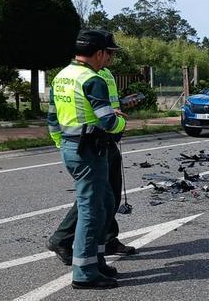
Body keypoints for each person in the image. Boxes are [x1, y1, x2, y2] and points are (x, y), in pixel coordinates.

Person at [48, 32, 140, 270]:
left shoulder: (62, 77)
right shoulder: (92, 78)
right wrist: (120, 121)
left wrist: (62, 143)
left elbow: (52, 118)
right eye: (108, 53)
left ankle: (98, 259)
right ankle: (85, 272)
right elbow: (109, 122)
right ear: (99, 53)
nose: (109, 58)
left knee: (104, 202)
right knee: (92, 210)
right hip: (91, 148)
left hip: (73, 145)